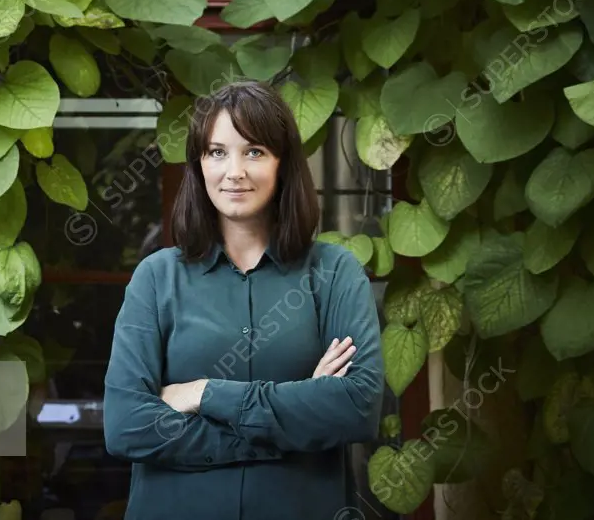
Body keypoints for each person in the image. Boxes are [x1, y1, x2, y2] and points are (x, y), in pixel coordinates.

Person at [103, 79, 386, 520]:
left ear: (282, 164)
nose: (234, 170)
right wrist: (292, 413)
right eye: (217, 152)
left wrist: (203, 393)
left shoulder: (333, 274)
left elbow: (356, 408)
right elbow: (126, 427)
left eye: (254, 151)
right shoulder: (156, 279)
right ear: (199, 165)